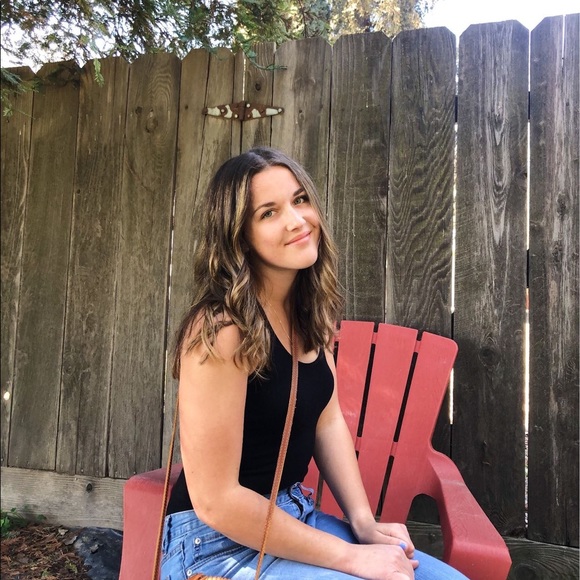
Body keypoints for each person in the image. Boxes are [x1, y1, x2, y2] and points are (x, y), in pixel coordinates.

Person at [161, 147, 468, 580]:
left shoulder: (306, 316)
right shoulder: (220, 330)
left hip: (292, 518)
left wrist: (363, 522)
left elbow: (327, 422)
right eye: (269, 213)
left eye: (300, 199)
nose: (296, 220)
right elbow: (217, 501)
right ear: (238, 236)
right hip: (212, 545)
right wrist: (351, 557)